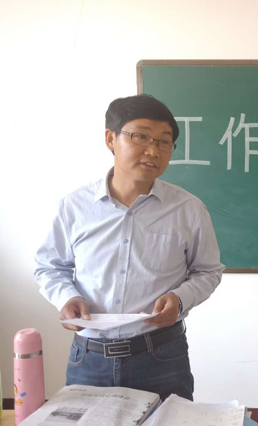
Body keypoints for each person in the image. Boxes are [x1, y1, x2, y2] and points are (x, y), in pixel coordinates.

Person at [34, 94, 225, 401]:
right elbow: (50, 267)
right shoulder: (74, 207)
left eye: (164, 142)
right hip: (89, 357)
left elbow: (208, 271)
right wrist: (66, 297)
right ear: (111, 138)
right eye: (141, 136)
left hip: (161, 356)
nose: (153, 150)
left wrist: (179, 299)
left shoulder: (188, 209)